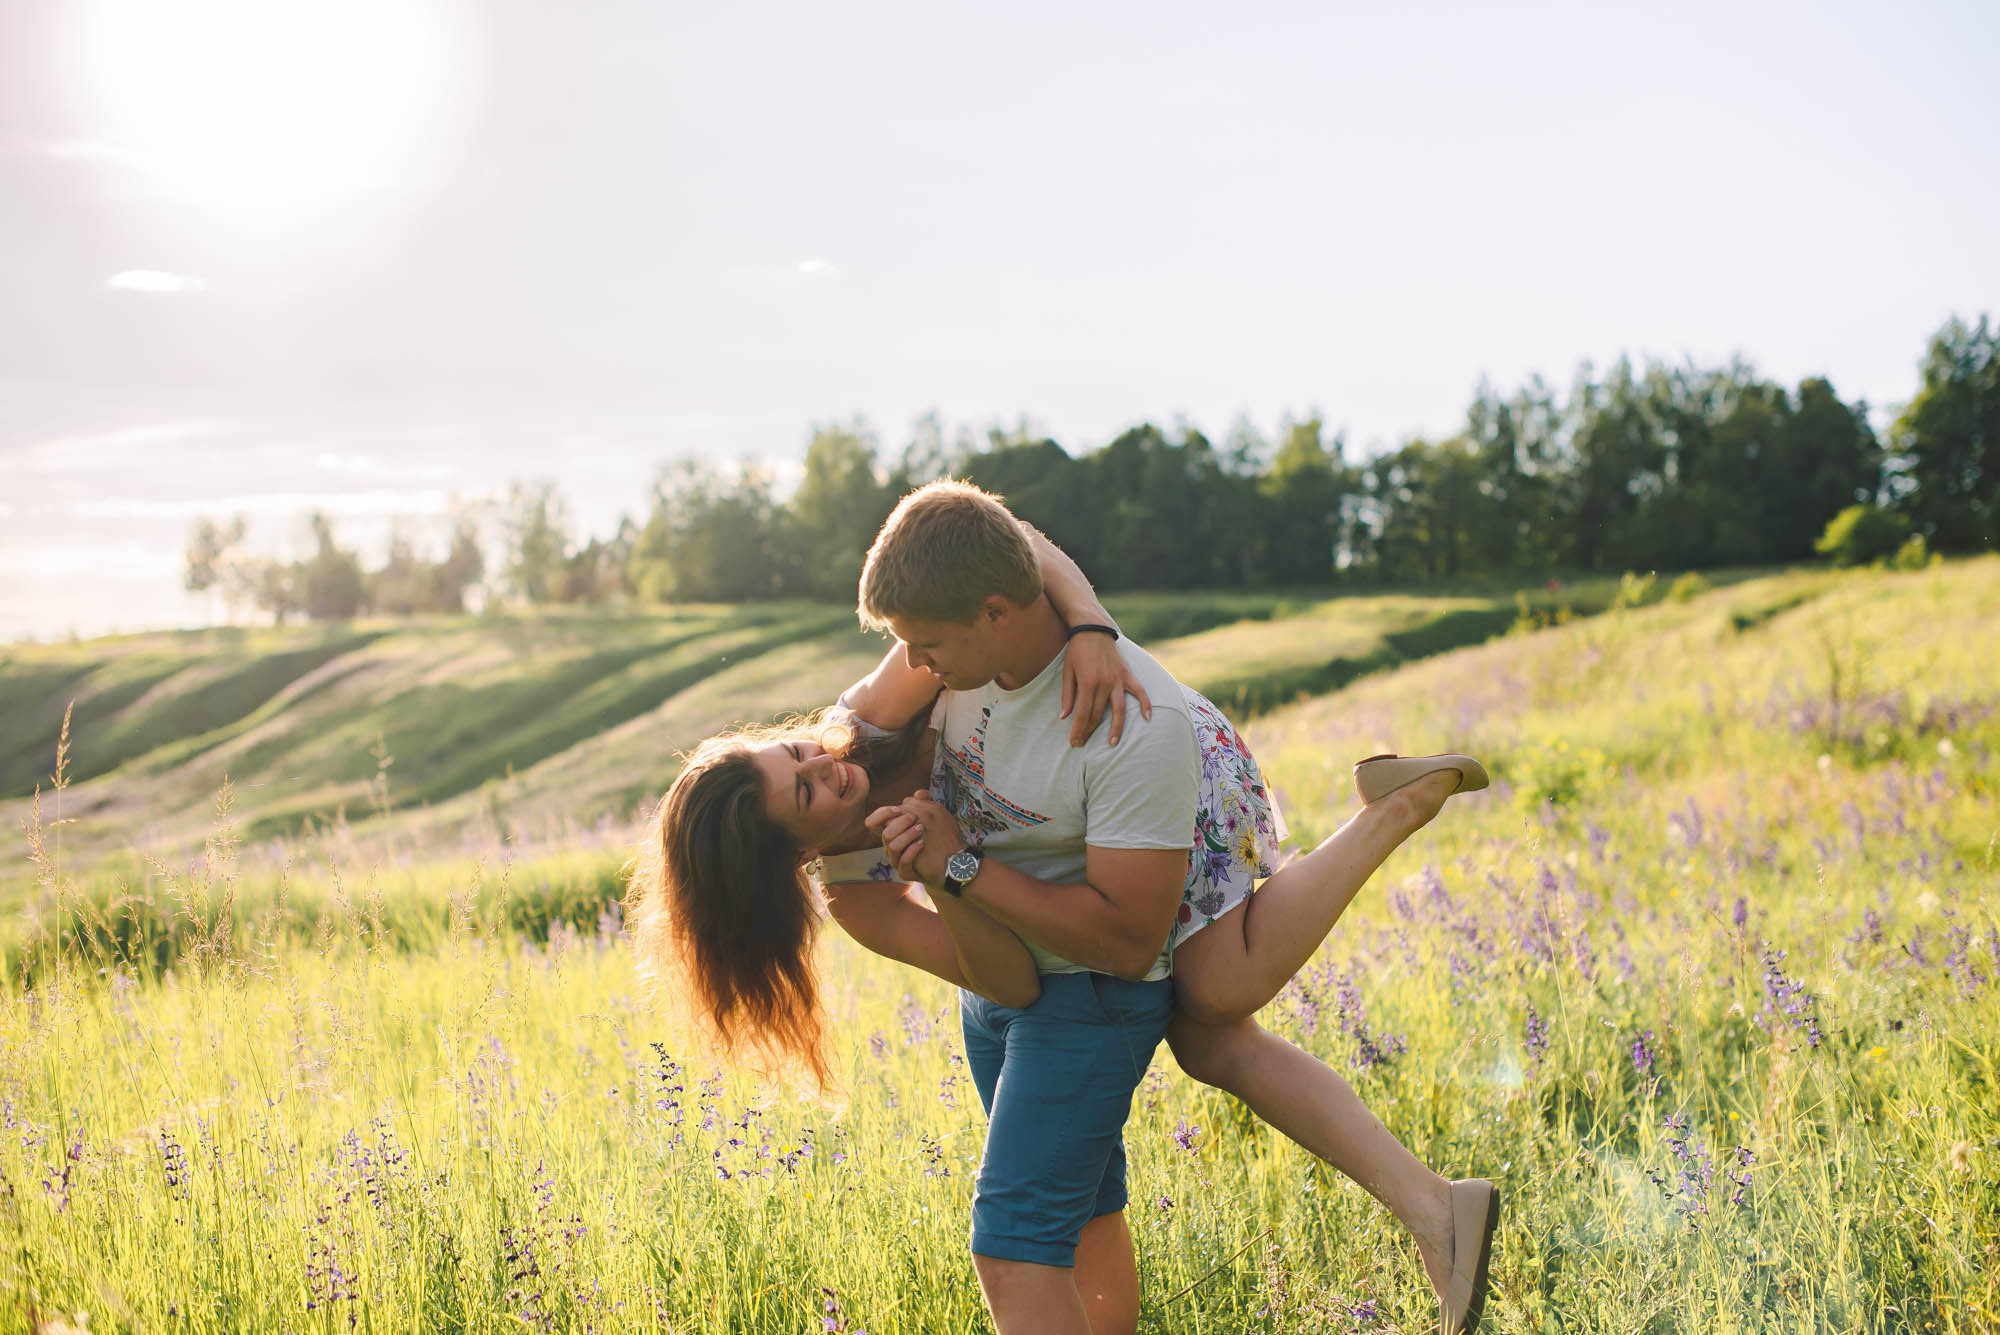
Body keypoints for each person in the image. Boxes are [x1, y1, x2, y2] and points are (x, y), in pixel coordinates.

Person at [627, 481, 1499, 1335]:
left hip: (1158, 800)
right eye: (806, 796)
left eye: (795, 752)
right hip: (1071, 861)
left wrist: (1089, 626)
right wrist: (940, 871)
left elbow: (1003, 544)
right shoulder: (861, 894)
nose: (828, 765)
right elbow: (1003, 978)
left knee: (1219, 987)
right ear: (796, 855)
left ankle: (1391, 812)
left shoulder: (881, 710)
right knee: (1206, 1036)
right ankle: (1438, 1205)